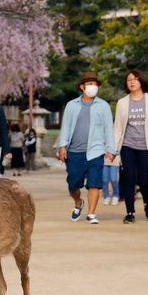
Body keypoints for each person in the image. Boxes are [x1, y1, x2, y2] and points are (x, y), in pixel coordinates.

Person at [56, 71, 117, 225]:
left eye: (95, 84)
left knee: (94, 183)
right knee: (73, 185)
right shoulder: (71, 105)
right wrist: (62, 146)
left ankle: (91, 213)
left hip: (95, 151)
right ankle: (78, 203)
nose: (93, 87)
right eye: (90, 84)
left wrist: (111, 149)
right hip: (74, 152)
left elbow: (109, 129)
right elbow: (66, 128)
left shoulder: (104, 106)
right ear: (82, 87)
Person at [113, 69, 148, 223]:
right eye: (129, 80)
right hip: (127, 146)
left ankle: (147, 203)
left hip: (147, 146)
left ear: (141, 81)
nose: (131, 82)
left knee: (144, 180)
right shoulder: (122, 103)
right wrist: (112, 148)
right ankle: (130, 212)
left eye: (134, 79)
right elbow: (117, 128)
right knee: (128, 179)